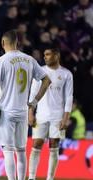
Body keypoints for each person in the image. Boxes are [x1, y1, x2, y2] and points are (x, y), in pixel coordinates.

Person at [0, 30, 51, 180]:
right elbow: (46, 80)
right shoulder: (29, 60)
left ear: (3, 43)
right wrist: (34, 102)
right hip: (22, 112)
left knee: (8, 150)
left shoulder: (1, 61)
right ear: (17, 43)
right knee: (21, 151)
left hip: (6, 112)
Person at [28, 47, 73, 180]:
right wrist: (30, 112)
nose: (45, 57)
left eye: (48, 54)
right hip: (41, 115)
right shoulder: (40, 72)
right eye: (44, 54)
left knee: (54, 145)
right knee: (36, 144)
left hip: (58, 116)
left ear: (56, 56)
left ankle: (50, 178)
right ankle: (31, 177)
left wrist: (66, 117)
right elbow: (33, 94)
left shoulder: (66, 74)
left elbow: (69, 97)